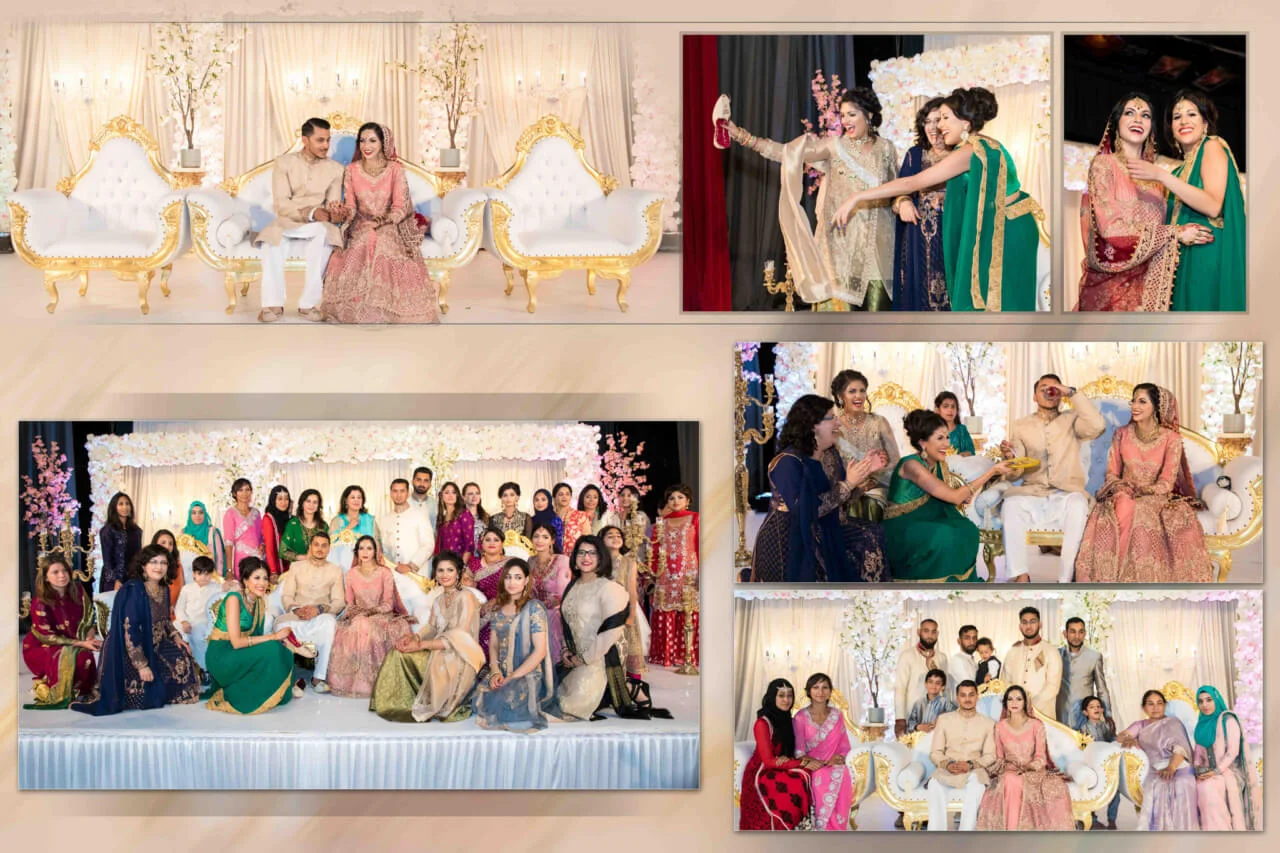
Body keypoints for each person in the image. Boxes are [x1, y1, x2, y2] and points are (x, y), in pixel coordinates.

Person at [834, 87, 1043, 312]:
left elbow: (911, 183)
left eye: (945, 118)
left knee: (1004, 302)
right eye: (935, 120)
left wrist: (857, 197)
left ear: (965, 123)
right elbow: (978, 191)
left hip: (1008, 228)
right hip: (1007, 224)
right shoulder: (978, 146)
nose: (939, 126)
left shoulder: (971, 150)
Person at [719, 88, 898, 310]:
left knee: (877, 331)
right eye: (842, 115)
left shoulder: (887, 149)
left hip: (877, 252)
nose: (845, 120)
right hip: (840, 252)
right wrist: (741, 136)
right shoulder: (835, 146)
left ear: (869, 115)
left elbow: (896, 190)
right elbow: (786, 153)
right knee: (841, 332)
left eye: (852, 114)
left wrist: (904, 202)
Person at [1076, 93, 1211, 311]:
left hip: (1150, 287)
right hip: (1112, 289)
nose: (1138, 119)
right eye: (1130, 113)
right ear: (1116, 124)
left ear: (1151, 127)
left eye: (1145, 115)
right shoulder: (1104, 165)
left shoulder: (1157, 180)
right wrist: (1175, 233)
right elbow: (1110, 230)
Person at [1075, 384, 1213, 583]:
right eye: (1134, 401)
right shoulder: (1121, 434)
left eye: (1142, 401)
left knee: (1140, 512)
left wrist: (1143, 490)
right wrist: (1123, 487)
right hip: (1124, 492)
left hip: (1155, 497)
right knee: (1122, 504)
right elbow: (1112, 474)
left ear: (1156, 407)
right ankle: (1109, 577)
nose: (1135, 406)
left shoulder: (1171, 439)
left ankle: (1129, 580)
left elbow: (1166, 482)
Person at [1126, 90, 1245, 311]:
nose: (1183, 121)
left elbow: (1212, 205)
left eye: (1192, 114)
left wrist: (1161, 175)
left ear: (1206, 123)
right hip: (1182, 261)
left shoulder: (1212, 146)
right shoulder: (1178, 171)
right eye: (1176, 117)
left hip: (1208, 256)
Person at [752, 394, 887, 583]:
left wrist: (863, 475)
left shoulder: (829, 455)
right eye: (832, 417)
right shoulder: (787, 463)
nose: (838, 423)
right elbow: (807, 511)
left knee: (874, 533)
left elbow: (840, 500)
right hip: (788, 542)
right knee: (867, 540)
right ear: (813, 425)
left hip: (823, 529)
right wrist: (848, 484)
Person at [320, 122, 439, 324]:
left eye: (373, 140)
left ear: (384, 143)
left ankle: (386, 307)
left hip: (391, 224)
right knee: (365, 238)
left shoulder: (395, 169)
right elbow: (351, 206)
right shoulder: (351, 170)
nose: (367, 145)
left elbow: (400, 206)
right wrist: (343, 211)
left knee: (381, 241)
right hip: (361, 224)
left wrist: (385, 220)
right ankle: (358, 304)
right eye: (363, 140)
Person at [547, 536, 669, 720]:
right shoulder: (572, 586)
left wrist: (584, 658)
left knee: (566, 707)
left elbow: (611, 632)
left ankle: (624, 687)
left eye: (592, 553)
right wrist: (565, 651)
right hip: (572, 657)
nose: (586, 557)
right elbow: (566, 623)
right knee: (544, 697)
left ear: (601, 558)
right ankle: (622, 688)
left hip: (599, 657)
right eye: (581, 552)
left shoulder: (610, 588)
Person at [1000, 375, 1105, 583]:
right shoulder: (1021, 425)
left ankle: (1065, 579)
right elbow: (1015, 473)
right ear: (1034, 395)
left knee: (1079, 506)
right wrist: (1010, 458)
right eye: (1043, 388)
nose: (1049, 392)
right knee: (1010, 505)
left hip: (1066, 493)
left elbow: (1098, 425)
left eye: (1054, 388)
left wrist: (1072, 393)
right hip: (1033, 493)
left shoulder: (1072, 420)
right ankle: (1021, 576)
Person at [74, 545, 201, 715]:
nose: (159, 567)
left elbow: (165, 620)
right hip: (130, 646)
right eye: (153, 562)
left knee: (181, 658)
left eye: (163, 562)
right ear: (143, 565)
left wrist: (176, 637)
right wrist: (142, 665)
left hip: (156, 641)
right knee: (148, 690)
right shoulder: (134, 590)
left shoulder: (163, 588)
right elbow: (129, 629)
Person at [884, 410, 1010, 582]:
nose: (947, 444)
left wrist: (959, 495)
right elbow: (955, 497)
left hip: (927, 519)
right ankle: (936, 587)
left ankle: (957, 583)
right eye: (940, 438)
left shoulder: (939, 464)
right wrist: (992, 471)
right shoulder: (912, 465)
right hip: (903, 526)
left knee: (967, 529)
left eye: (947, 437)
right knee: (944, 534)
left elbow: (950, 495)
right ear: (923, 443)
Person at [252, 117, 349, 323]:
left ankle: (308, 304)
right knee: (272, 241)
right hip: (288, 221)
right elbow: (281, 203)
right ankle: (272, 303)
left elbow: (332, 202)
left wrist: (336, 212)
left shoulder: (335, 169)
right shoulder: (284, 163)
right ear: (305, 140)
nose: (325, 146)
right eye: (320, 140)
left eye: (328, 140)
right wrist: (311, 212)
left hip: (317, 226)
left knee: (326, 234)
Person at [369, 551, 484, 723]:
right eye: (440, 571)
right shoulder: (439, 599)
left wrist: (422, 645)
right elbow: (432, 626)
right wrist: (414, 637)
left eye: (450, 570)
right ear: (435, 574)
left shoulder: (466, 596)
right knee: (398, 652)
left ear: (458, 572)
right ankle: (399, 702)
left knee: (407, 654)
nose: (445, 575)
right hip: (438, 648)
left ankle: (429, 700)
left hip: (459, 656)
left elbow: (460, 637)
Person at [204, 557, 304, 714]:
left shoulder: (259, 602)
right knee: (272, 646)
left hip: (239, 652)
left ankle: (277, 691)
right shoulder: (233, 599)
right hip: (222, 654)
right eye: (256, 578)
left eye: (265, 578)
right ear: (245, 580)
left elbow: (255, 637)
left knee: (281, 648)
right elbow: (236, 642)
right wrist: (272, 636)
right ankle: (243, 696)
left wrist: (277, 639)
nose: (262, 583)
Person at [975, 684, 1075, 830]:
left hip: (1033, 772)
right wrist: (1007, 767)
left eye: (1018, 699)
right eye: (1010, 699)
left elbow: (1041, 756)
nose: (1014, 703)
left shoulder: (1036, 725)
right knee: (1010, 779)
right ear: (1005, 704)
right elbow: (999, 757)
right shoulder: (1000, 727)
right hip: (1009, 770)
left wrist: (1028, 766)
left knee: (1022, 782)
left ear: (1025, 702)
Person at [473, 559, 556, 732]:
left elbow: (539, 652)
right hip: (501, 672)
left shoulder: (533, 608)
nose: (512, 582)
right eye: (508, 577)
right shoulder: (499, 608)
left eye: (518, 577)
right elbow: (494, 644)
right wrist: (495, 670)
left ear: (526, 580)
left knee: (511, 705)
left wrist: (511, 678)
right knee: (481, 698)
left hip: (526, 673)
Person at [327, 535, 413, 698]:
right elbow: (349, 603)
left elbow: (388, 603)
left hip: (381, 615)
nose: (365, 552)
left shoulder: (384, 572)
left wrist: (371, 612)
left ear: (375, 551)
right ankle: (360, 683)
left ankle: (376, 682)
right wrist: (356, 612)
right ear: (356, 552)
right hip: (359, 616)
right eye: (361, 548)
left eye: (369, 548)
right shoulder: (351, 574)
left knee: (368, 624)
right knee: (359, 624)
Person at [893, 97, 953, 311]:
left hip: (952, 234)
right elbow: (900, 192)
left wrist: (951, 198)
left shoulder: (961, 154)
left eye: (938, 120)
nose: (933, 127)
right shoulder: (915, 155)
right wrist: (904, 202)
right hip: (918, 238)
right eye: (927, 121)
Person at [22, 553, 100, 709]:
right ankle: (55, 688)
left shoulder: (78, 590)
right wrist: (80, 643)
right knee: (79, 658)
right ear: (45, 577)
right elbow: (47, 637)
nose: (62, 575)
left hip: (76, 640)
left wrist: (89, 638)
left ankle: (79, 689)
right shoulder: (40, 602)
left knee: (88, 656)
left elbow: (89, 617)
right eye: (55, 572)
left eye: (64, 570)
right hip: (43, 646)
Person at [1116, 690, 1200, 830]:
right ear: (1144, 707)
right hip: (1156, 768)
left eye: (1159, 703)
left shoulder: (1174, 723)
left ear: (1165, 706)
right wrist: (1129, 738)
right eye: (1150, 704)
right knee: (1159, 785)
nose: (1155, 708)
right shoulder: (1141, 725)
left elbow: (1180, 748)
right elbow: (1120, 737)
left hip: (1178, 764)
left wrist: (1171, 767)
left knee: (1182, 782)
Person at [275, 530, 345, 694]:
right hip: (296, 617)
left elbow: (339, 601)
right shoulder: (296, 567)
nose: (320, 549)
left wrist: (319, 609)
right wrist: (296, 609)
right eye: (316, 545)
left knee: (329, 622)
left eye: (324, 546)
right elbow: (286, 595)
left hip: (319, 620)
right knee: (280, 627)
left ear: (329, 549)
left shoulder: (335, 571)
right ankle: (287, 679)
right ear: (310, 547)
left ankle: (318, 677)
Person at [739, 678, 814, 830]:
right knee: (797, 780)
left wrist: (804, 760)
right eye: (781, 695)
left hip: (781, 765)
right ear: (773, 697)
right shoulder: (763, 723)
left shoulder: (788, 720)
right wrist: (801, 763)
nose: (786, 700)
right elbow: (768, 761)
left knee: (808, 774)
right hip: (762, 771)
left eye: (789, 695)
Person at [926, 681, 997, 831]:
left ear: (977, 697)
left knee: (977, 786)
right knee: (934, 784)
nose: (967, 699)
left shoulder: (988, 723)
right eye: (963, 695)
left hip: (974, 769)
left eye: (971, 694)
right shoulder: (944, 719)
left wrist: (970, 764)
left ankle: (965, 836)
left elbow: (990, 755)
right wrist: (947, 764)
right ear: (957, 698)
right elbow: (935, 752)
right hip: (948, 767)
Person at [831, 369, 899, 520]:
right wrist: (850, 484)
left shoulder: (879, 422)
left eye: (862, 391)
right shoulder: (833, 426)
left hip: (876, 488)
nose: (859, 396)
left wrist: (873, 481)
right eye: (852, 391)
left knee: (869, 503)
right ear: (840, 396)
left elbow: (895, 460)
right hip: (845, 486)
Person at [1194, 686, 1262, 830]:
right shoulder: (1201, 724)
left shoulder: (1228, 720)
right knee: (1194, 785)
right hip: (1208, 772)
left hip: (1229, 770)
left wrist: (1216, 771)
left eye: (1209, 700)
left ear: (1216, 700)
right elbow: (1198, 754)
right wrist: (1198, 769)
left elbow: (1233, 751)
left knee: (1208, 788)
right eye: (1200, 701)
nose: (1204, 705)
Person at [792, 673, 854, 831]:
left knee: (844, 774)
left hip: (834, 763)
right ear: (809, 691)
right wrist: (814, 762)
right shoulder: (800, 718)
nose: (820, 691)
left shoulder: (836, 715)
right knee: (820, 777)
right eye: (816, 687)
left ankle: (838, 830)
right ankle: (823, 830)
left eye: (825, 687)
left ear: (830, 691)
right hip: (812, 765)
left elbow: (844, 745)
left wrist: (838, 757)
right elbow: (799, 750)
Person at [648, 484, 700, 668]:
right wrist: (653, 573)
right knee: (666, 610)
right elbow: (654, 549)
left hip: (689, 573)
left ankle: (686, 655)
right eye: (671, 498)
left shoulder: (695, 518)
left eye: (680, 497)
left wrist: (702, 573)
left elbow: (701, 545)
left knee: (688, 610)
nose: (675, 501)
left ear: (688, 501)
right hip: (665, 574)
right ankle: (666, 655)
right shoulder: (661, 522)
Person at [377, 478, 435, 623]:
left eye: (402, 491)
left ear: (408, 493)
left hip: (415, 576)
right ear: (390, 493)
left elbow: (428, 545)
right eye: (395, 491)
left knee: (420, 616)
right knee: (396, 617)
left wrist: (410, 566)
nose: (398, 495)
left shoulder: (419, 516)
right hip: (393, 577)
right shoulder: (384, 519)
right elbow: (381, 548)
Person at [602, 524, 649, 681]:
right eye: (610, 536)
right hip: (603, 612)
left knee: (630, 646)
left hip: (624, 611)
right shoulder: (598, 561)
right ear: (601, 540)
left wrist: (631, 615)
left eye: (618, 536)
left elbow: (632, 590)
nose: (615, 538)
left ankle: (633, 685)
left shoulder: (629, 562)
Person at [1003, 607, 1062, 720]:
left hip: (1042, 716)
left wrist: (1030, 707)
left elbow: (1052, 687)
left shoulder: (1051, 651)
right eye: (1024, 622)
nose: (1028, 626)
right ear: (1020, 626)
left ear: (1040, 624)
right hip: (1015, 717)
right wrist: (1015, 706)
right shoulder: (1012, 651)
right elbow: (1005, 682)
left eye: (1033, 621)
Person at [1056, 617, 1114, 730]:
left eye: (1080, 632)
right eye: (1072, 631)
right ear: (1065, 633)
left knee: (1085, 747)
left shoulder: (1094, 657)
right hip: (1059, 715)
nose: (1077, 636)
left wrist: (1108, 715)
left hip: (1084, 716)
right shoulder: (1056, 655)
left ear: (1085, 634)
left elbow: (1102, 689)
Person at [527, 521, 572, 664]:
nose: (540, 540)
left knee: (551, 616)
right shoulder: (530, 561)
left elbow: (563, 593)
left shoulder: (562, 560)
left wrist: (542, 606)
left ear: (552, 541)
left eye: (545, 537)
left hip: (557, 610)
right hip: (534, 610)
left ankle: (554, 664)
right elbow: (528, 590)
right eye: (536, 536)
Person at [173, 556, 225, 675]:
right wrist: (184, 621)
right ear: (194, 574)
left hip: (203, 622)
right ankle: (180, 667)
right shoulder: (187, 589)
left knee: (197, 637)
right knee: (173, 631)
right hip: (186, 621)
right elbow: (179, 608)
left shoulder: (216, 587)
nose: (204, 577)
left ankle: (204, 669)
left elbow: (229, 589)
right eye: (200, 573)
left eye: (207, 574)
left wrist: (230, 585)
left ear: (212, 574)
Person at [894, 619, 943, 739]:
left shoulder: (942, 658)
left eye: (933, 632)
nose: (930, 636)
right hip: (913, 718)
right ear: (918, 632)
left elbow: (944, 689)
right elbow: (900, 688)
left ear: (937, 634)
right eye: (926, 631)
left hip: (937, 718)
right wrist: (900, 719)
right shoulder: (907, 656)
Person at [1078, 696, 1121, 830]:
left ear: (1102, 709)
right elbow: (1083, 748)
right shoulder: (1083, 728)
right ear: (1085, 712)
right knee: (1089, 791)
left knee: (1116, 791)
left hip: (1108, 765)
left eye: (1098, 706)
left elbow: (1114, 740)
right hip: (1092, 765)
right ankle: (1092, 819)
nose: (1096, 709)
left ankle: (1112, 820)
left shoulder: (1107, 726)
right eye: (1092, 707)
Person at [98, 490, 142, 592]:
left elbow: (139, 555)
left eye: (127, 504)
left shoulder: (136, 530)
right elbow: (107, 560)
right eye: (121, 504)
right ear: (114, 507)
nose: (125, 507)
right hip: (114, 579)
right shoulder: (108, 530)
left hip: (133, 577)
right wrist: (115, 581)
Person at [328, 484, 377, 572]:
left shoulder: (370, 520)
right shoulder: (337, 520)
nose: (356, 500)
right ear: (346, 501)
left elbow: (377, 543)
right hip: (341, 566)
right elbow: (330, 544)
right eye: (353, 497)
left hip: (366, 566)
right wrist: (348, 528)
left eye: (359, 497)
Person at [223, 478, 264, 580]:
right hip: (241, 560)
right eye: (240, 490)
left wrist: (262, 545)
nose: (244, 493)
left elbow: (260, 537)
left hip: (257, 559)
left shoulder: (256, 513)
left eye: (247, 489)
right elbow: (229, 544)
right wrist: (229, 570)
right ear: (234, 493)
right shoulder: (230, 513)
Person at [178, 500, 226, 584]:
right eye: (194, 513)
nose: (197, 516)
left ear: (205, 514)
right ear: (190, 515)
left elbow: (219, 557)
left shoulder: (212, 532)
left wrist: (219, 576)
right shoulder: (184, 533)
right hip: (189, 577)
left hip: (210, 576)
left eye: (201, 512)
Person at [280, 489, 328, 565]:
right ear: (302, 503)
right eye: (308, 501)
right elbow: (283, 551)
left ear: (318, 506)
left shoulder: (323, 526)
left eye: (315, 502)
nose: (311, 505)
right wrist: (304, 557)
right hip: (298, 569)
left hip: (320, 568)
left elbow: (329, 549)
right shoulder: (293, 524)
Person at [434, 482, 476, 565]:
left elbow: (469, 545)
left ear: (457, 495)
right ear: (441, 496)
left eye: (454, 492)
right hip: (443, 564)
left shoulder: (464, 515)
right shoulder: (442, 518)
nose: (450, 495)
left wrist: (461, 567)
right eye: (447, 492)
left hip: (459, 562)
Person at [906, 669, 957, 734]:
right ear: (926, 684)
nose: (933, 685)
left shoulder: (946, 703)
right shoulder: (918, 703)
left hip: (937, 738)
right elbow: (910, 724)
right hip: (920, 739)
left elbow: (955, 717)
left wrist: (942, 719)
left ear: (942, 687)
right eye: (930, 682)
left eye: (937, 683)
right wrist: (918, 727)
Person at [261, 485, 293, 578]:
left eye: (286, 499)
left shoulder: (289, 518)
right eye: (280, 499)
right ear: (273, 500)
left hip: (290, 564)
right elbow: (269, 547)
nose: (284, 502)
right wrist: (273, 571)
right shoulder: (268, 518)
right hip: (277, 566)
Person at [552, 482, 592, 555]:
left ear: (570, 497)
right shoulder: (551, 517)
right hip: (555, 558)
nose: (564, 497)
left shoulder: (581, 516)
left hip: (575, 557)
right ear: (554, 497)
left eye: (567, 494)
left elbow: (588, 540)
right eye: (561, 494)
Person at [150, 528, 184, 614]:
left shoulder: (178, 566)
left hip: (173, 613)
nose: (167, 546)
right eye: (163, 542)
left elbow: (182, 592)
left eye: (170, 544)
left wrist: (176, 606)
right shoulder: (148, 565)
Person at [935, 391, 975, 456]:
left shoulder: (962, 430)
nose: (950, 410)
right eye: (945, 406)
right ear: (937, 410)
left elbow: (972, 452)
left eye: (953, 406)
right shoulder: (932, 432)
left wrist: (962, 456)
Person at [530, 488, 564, 553]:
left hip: (552, 555)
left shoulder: (555, 520)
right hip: (533, 555)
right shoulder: (531, 520)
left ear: (549, 501)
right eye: (536, 500)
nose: (539, 503)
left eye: (543, 500)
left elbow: (558, 543)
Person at [948, 625, 979, 690]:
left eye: (974, 638)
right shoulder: (957, 660)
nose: (972, 642)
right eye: (967, 638)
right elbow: (969, 687)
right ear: (959, 641)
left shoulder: (972, 660)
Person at [463, 482, 490, 553]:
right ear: (463, 497)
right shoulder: (458, 518)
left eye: (477, 493)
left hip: (482, 559)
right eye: (470, 494)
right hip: (462, 559)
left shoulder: (487, 517)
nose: (474, 496)